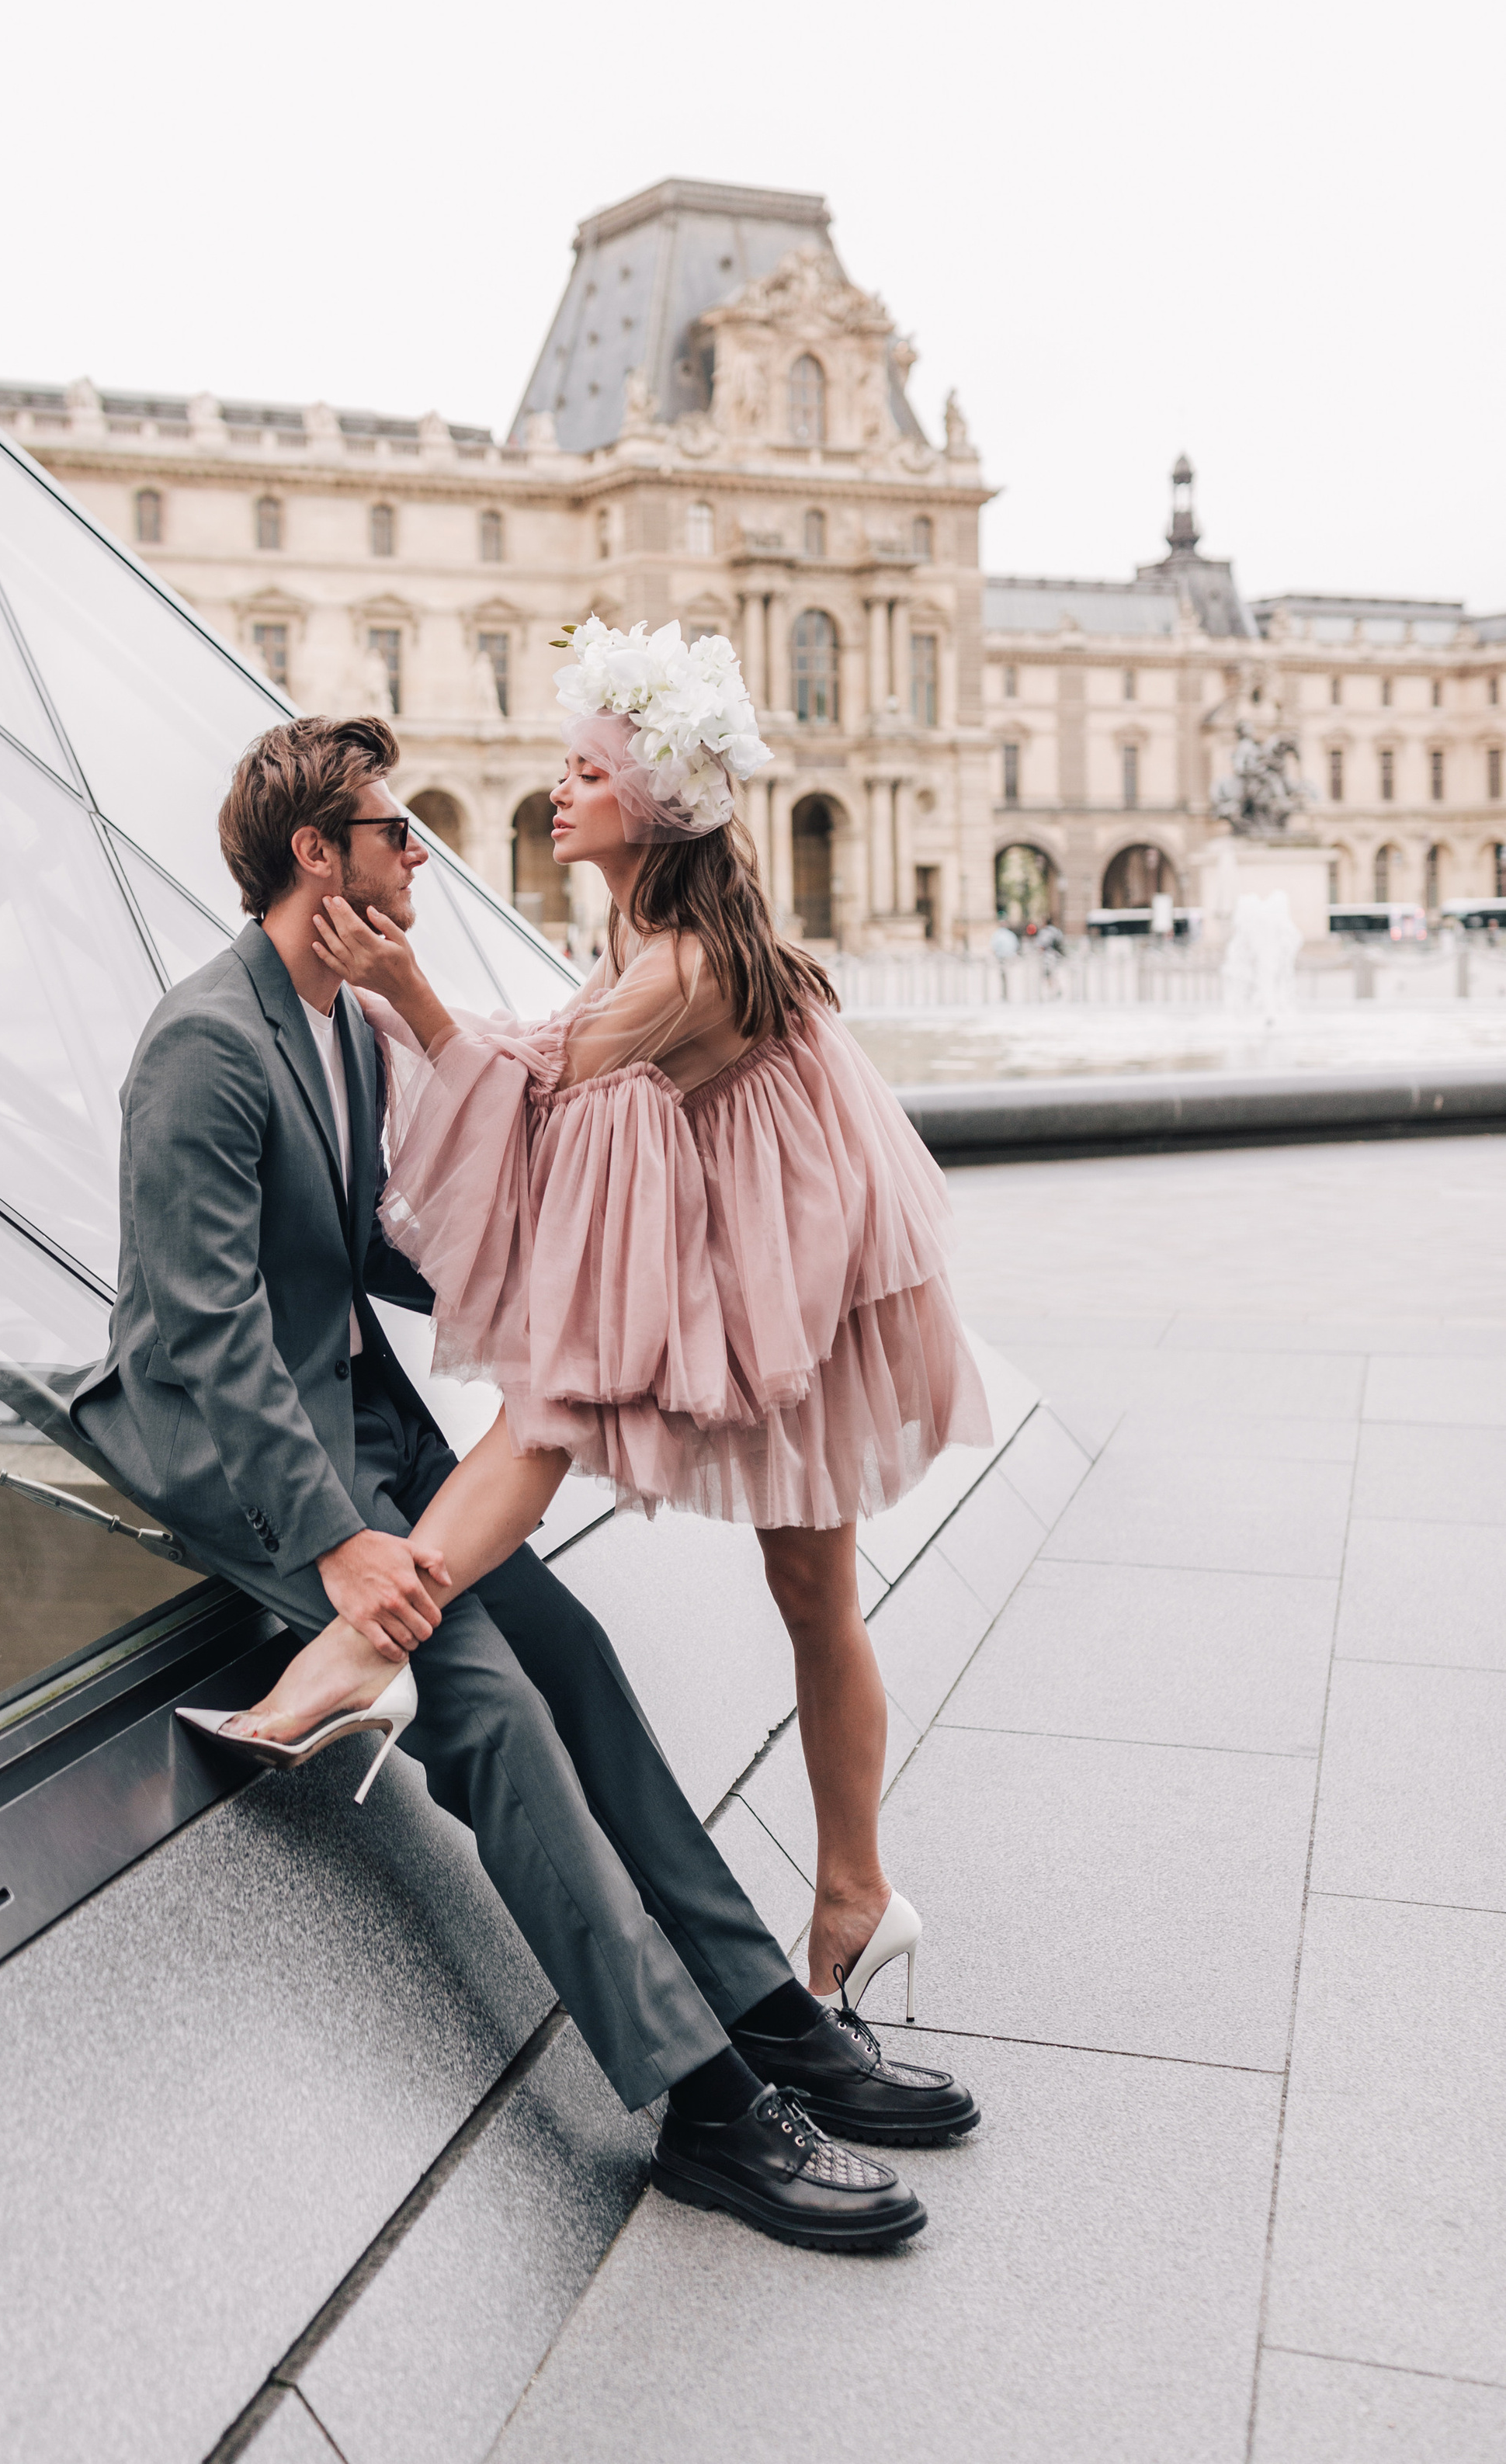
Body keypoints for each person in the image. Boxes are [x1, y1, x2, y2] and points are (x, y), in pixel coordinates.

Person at [66, 710, 977, 2256]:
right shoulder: (206, 1043)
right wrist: (346, 1546)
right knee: (483, 1697)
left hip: (358, 1427)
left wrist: (538, 1300)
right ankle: (698, 2102)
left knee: (576, 1658)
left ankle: (757, 1999)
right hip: (240, 1456)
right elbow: (206, 1346)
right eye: (391, 831)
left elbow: (368, 1249)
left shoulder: (339, 1022)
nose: (421, 851)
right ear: (317, 860)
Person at [231, 620, 992, 2019]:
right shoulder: (648, 933)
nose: (560, 787)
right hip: (760, 1238)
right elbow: (531, 1066)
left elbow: (540, 1096)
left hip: (782, 1265)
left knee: (564, 1406)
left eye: (586, 768)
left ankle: (364, 1646)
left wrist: (397, 988)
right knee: (808, 1588)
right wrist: (404, 1002)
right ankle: (856, 1894)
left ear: (649, 801)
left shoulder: (682, 965)